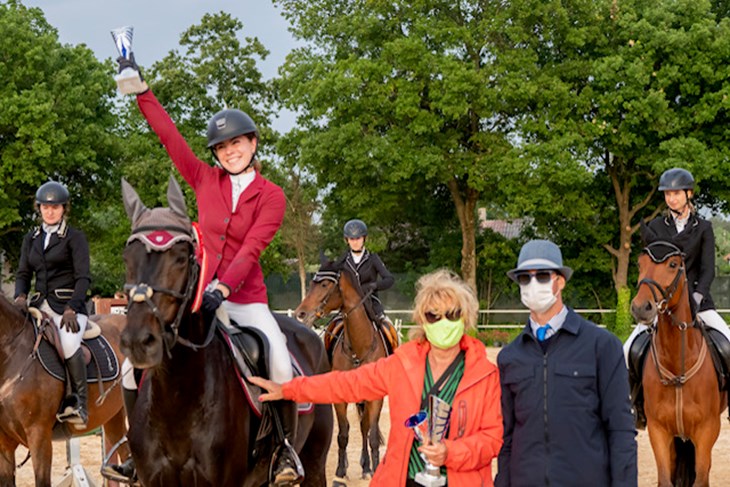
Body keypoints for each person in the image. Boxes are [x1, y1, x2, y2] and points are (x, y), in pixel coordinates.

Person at [106, 53, 301, 485]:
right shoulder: (202, 178)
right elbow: (169, 137)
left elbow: (252, 248)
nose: (230, 151)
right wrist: (142, 93)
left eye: (237, 144)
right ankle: (132, 450)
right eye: (222, 147)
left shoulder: (272, 196)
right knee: (131, 366)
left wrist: (223, 290)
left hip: (244, 299)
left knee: (278, 360)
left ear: (252, 144)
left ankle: (282, 448)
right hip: (193, 295)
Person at [251, 269, 504, 486]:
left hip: (461, 481)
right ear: (422, 320)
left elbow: (492, 439)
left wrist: (451, 452)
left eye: (452, 314)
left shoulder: (485, 375)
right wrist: (289, 389)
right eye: (433, 315)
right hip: (403, 479)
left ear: (466, 317)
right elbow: (345, 384)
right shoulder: (401, 364)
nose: (443, 323)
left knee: (385, 331)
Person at [496, 239, 637, 487]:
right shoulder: (510, 357)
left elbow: (621, 430)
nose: (532, 285)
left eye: (541, 276)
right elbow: (507, 439)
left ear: (560, 281)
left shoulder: (601, 346)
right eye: (524, 279)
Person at [624, 167, 730, 428]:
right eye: (668, 194)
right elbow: (649, 267)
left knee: (728, 344)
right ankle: (636, 407)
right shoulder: (656, 227)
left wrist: (697, 295)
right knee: (628, 349)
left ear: (688, 194)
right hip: (662, 305)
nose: (671, 199)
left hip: (698, 302)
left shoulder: (703, 227)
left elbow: (708, 269)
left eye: (676, 193)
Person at [14, 181, 91, 426]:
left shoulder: (74, 237)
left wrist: (72, 307)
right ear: (39, 209)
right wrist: (20, 297)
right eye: (46, 207)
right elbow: (23, 274)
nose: (50, 211)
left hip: (68, 307)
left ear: (63, 209)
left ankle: (79, 403)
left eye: (55, 207)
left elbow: (83, 277)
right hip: (39, 305)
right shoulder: (31, 238)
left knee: (68, 343)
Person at [338, 218, 394, 329]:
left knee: (391, 331)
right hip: (347, 307)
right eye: (351, 239)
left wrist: (375, 285)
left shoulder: (373, 259)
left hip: (372, 305)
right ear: (347, 240)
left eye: (358, 238)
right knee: (330, 333)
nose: (355, 242)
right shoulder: (342, 261)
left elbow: (389, 279)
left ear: (364, 238)